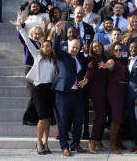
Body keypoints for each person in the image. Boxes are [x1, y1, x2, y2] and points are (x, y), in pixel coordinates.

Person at [11, 21, 56, 155]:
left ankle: (46, 142)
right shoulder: (37, 55)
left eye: (48, 46)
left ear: (52, 48)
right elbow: (28, 42)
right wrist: (21, 28)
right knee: (42, 118)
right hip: (39, 90)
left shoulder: (53, 59)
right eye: (44, 46)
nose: (46, 48)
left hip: (50, 90)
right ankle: (38, 142)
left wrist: (53, 30)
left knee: (48, 118)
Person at [52, 22, 88, 156]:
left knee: (78, 121)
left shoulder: (79, 58)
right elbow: (55, 47)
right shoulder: (62, 55)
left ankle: (75, 145)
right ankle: (64, 146)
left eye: (77, 48)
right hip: (64, 93)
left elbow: (85, 70)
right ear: (68, 46)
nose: (75, 50)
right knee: (63, 121)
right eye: (73, 47)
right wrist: (58, 32)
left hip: (78, 95)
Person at [99, 42, 129, 154]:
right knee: (117, 115)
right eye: (116, 50)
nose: (118, 52)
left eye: (120, 50)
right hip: (115, 90)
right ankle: (112, 143)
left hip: (124, 89)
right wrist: (106, 66)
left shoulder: (123, 61)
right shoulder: (112, 60)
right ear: (112, 51)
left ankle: (118, 140)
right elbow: (110, 65)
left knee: (120, 115)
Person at [17, 11, 42, 126]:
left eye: (39, 34)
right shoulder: (30, 41)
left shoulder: (40, 45)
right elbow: (21, 37)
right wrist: (22, 22)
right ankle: (27, 118)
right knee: (34, 95)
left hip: (38, 71)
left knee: (37, 95)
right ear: (32, 34)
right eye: (35, 34)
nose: (37, 36)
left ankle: (34, 117)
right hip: (30, 69)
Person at [84, 41, 109, 154]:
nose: (97, 48)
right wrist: (86, 78)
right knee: (100, 115)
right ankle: (92, 141)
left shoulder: (104, 58)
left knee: (103, 116)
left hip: (105, 91)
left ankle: (99, 140)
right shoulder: (93, 59)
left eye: (99, 46)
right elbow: (90, 69)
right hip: (96, 91)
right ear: (92, 49)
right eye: (95, 47)